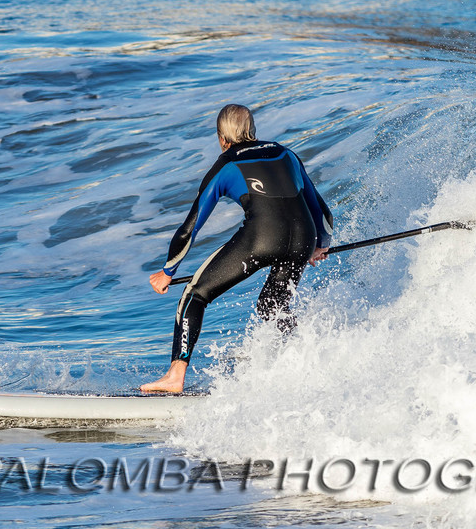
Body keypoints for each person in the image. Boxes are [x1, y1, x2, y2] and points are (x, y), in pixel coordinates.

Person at [140, 104, 333, 394]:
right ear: (252, 129)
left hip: (262, 238)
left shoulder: (226, 164)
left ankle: (175, 376)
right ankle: (308, 357)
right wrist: (320, 246)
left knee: (194, 295)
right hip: (303, 239)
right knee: (272, 306)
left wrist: (168, 271)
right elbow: (323, 213)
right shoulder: (287, 154)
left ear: (221, 137)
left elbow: (189, 229)